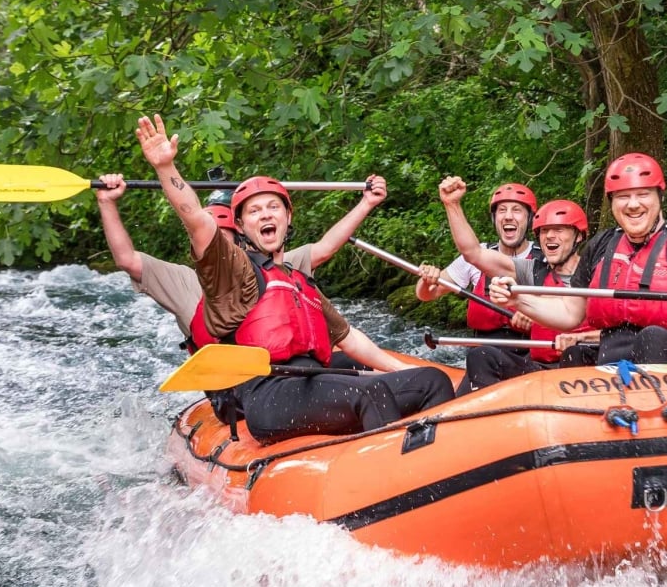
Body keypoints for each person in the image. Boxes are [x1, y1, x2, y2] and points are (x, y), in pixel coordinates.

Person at [135, 114, 454, 442]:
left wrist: (405, 371)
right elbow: (197, 222)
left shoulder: (300, 282)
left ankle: (441, 464)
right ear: (241, 227)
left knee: (432, 381)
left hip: (312, 381)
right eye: (255, 211)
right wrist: (165, 167)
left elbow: (349, 338)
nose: (266, 215)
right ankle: (393, 477)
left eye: (273, 207)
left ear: (288, 217)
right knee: (371, 391)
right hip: (269, 394)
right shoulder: (236, 273)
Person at [490, 152, 667, 367]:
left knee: (652, 336)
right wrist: (517, 300)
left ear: (659, 198)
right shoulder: (600, 247)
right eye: (622, 197)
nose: (632, 204)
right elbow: (569, 315)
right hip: (613, 372)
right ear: (612, 203)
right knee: (576, 354)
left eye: (642, 194)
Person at [94, 170, 389, 351]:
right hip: (232, 383)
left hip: (282, 369)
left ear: (242, 238)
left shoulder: (271, 269)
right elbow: (126, 258)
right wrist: (107, 203)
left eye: (226, 236)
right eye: (212, 236)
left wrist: (366, 204)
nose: (217, 245)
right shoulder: (181, 279)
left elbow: (324, 248)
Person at [453, 198, 601, 394]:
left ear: (578, 236)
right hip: (540, 370)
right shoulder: (532, 271)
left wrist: (583, 337)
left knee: (574, 353)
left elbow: (620, 334)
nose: (549, 237)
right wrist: (452, 204)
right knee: (481, 354)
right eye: (544, 231)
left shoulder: (599, 273)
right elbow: (473, 253)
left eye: (558, 230)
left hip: (584, 373)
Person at [415, 176, 540, 339]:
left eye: (517, 210)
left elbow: (567, 310)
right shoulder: (479, 254)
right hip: (485, 352)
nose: (508, 216)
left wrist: (537, 319)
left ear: (529, 218)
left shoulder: (545, 258)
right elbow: (426, 294)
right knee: (480, 357)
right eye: (502, 210)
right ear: (494, 219)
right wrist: (426, 281)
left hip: (534, 351)